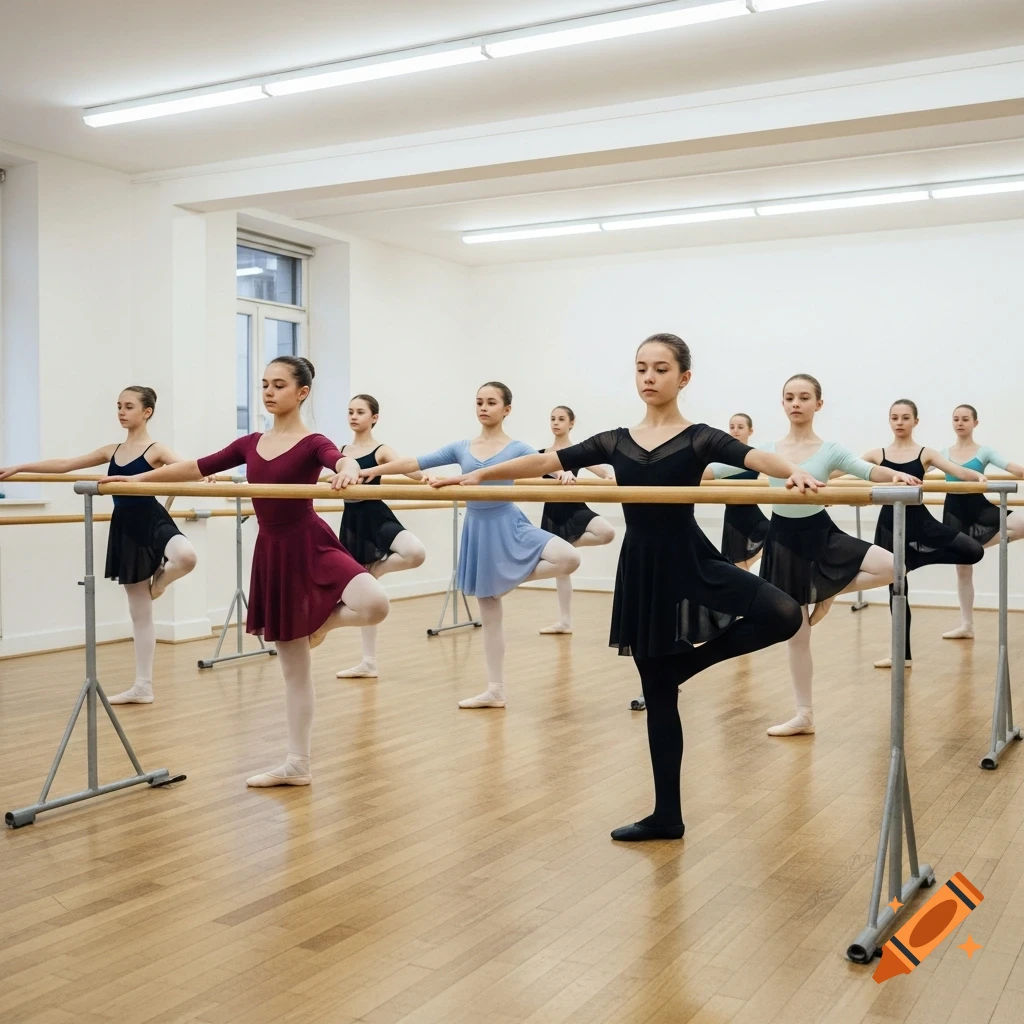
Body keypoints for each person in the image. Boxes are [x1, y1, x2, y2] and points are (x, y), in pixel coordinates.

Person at [431, 335, 820, 842]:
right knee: (659, 697)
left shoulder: (700, 437)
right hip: (643, 569)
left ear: (683, 378)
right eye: (641, 368)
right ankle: (667, 815)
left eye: (661, 369)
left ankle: (688, 664)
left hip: (690, 557)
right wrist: (477, 478)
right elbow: (547, 462)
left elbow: (753, 458)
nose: (649, 377)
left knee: (784, 612)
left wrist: (795, 473)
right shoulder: (616, 440)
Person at [106, 357, 389, 787]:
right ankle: (298, 764)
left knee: (374, 603)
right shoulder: (249, 442)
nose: (269, 391)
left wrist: (348, 473)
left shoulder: (314, 441)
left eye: (279, 384)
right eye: (264, 384)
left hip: (310, 539)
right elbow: (197, 467)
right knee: (295, 672)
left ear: (302, 392)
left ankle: (320, 624)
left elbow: (341, 460)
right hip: (273, 551)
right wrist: (138, 480)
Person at [337, 382, 580, 709]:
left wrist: (564, 473)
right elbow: (415, 462)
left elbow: (547, 463)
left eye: (491, 402)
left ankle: (506, 580)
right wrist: (370, 470)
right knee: (492, 617)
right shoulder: (463, 447)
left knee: (568, 556)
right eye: (479, 401)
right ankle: (495, 690)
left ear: (506, 409)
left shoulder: (519, 447)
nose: (483, 407)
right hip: (478, 529)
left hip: (510, 521)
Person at [741, 375, 919, 737]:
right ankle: (803, 715)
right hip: (783, 542)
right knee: (797, 634)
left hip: (821, 533)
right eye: (789, 397)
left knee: (893, 566)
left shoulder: (830, 449)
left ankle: (829, 589)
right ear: (782, 403)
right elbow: (720, 467)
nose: (796, 403)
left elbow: (868, 470)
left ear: (818, 404)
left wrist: (898, 476)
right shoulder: (768, 449)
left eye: (804, 397)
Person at [0, 386, 197, 705]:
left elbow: (185, 468)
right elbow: (66, 464)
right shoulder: (112, 450)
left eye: (129, 406)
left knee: (186, 557)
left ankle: (160, 579)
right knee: (140, 613)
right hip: (125, 528)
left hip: (152, 518)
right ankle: (143, 686)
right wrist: (21, 468)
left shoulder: (155, 449)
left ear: (146, 412)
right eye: (119, 406)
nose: (121, 411)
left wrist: (206, 480)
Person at [861, 399, 984, 668]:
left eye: (905, 417)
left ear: (915, 421)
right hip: (889, 525)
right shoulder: (877, 454)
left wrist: (979, 478)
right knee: (897, 589)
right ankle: (901, 655)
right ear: (889, 421)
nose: (899, 422)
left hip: (921, 522)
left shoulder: (925, 453)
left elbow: (956, 471)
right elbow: (845, 468)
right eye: (895, 417)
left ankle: (916, 559)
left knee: (973, 550)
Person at [334, 394, 427, 679]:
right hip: (352, 520)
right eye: (350, 411)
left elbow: (412, 472)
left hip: (376, 515)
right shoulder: (341, 449)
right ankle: (368, 662)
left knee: (414, 552)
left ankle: (376, 568)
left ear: (374, 417)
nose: (353, 416)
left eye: (360, 412)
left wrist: (429, 477)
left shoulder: (381, 449)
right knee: (366, 594)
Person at [939, 404, 1024, 640]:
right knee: (963, 571)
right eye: (955, 419)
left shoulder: (984, 451)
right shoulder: (943, 453)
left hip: (979, 508)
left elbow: (1012, 468)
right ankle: (967, 625)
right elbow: (918, 468)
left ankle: (974, 546)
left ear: (975, 423)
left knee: (1021, 523)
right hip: (954, 511)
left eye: (965, 419)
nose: (960, 423)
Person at [537, 404, 615, 634]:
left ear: (571, 423)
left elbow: (603, 471)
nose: (555, 422)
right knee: (563, 571)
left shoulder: (578, 451)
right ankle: (565, 622)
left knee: (606, 532)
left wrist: (612, 475)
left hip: (575, 507)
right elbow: (535, 469)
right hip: (553, 511)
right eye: (552, 418)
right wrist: (559, 473)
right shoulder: (543, 454)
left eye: (561, 419)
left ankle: (567, 543)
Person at [702, 413, 770, 569]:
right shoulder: (720, 460)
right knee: (738, 570)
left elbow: (778, 476)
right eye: (732, 427)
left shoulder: (756, 456)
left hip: (754, 519)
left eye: (740, 427)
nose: (735, 431)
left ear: (750, 431)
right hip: (732, 521)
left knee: (762, 561)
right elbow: (702, 475)